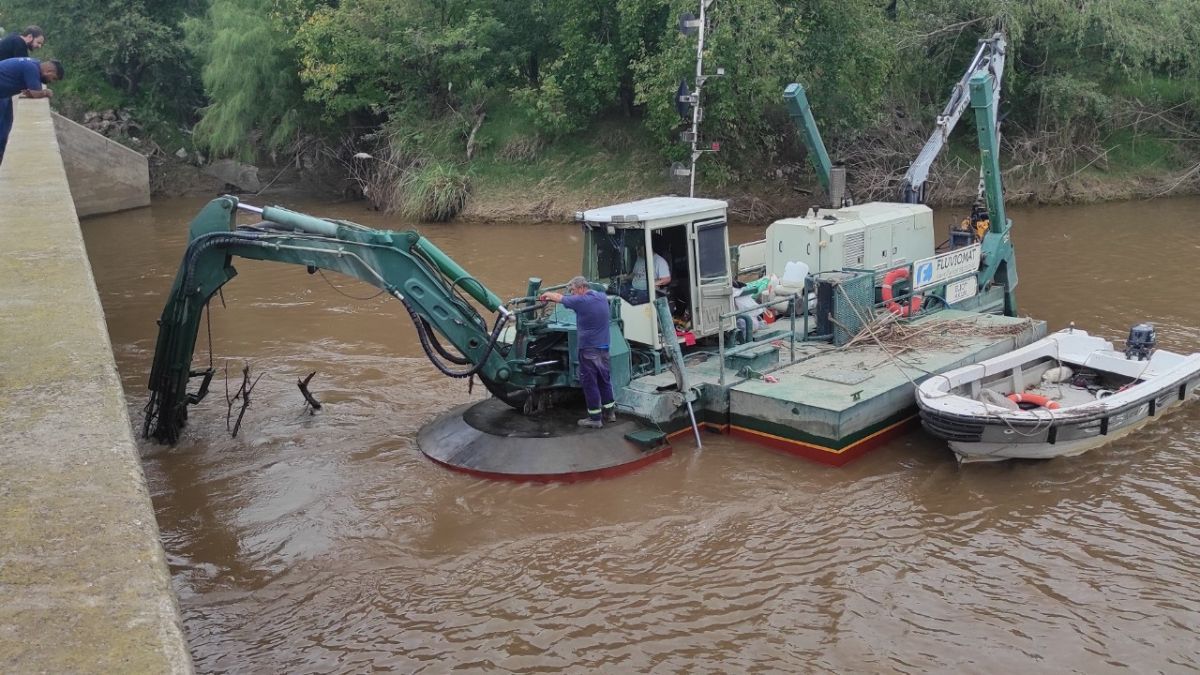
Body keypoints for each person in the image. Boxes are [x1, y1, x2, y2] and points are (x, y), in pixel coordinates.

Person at [539, 276, 617, 428]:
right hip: (604, 347)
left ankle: (595, 419)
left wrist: (546, 294)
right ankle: (610, 413)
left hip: (588, 349)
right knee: (604, 380)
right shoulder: (601, 298)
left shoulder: (581, 301)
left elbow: (559, 298)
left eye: (573, 290)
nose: (572, 294)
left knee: (590, 383)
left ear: (581, 288)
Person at [0, 57, 63, 163]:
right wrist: (46, 92)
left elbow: (33, 91)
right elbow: (35, 93)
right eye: (53, 78)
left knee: (5, 125)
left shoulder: (34, 64)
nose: (51, 81)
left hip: (3, 94)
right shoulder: (32, 68)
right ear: (49, 71)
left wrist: (35, 92)